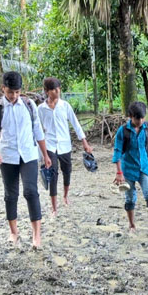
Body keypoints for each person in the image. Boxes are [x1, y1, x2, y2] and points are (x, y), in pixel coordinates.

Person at [0, 71, 52, 248]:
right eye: (10, 92)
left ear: (21, 90)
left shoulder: (29, 106)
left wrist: (45, 155)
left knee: (31, 192)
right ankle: (14, 232)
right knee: (10, 194)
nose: (13, 96)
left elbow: (38, 131)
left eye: (17, 92)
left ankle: (36, 235)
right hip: (7, 155)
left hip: (29, 154)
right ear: (3, 89)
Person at [37, 77, 93, 215]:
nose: (57, 92)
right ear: (47, 91)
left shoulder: (65, 106)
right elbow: (38, 131)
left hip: (65, 145)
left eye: (58, 88)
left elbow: (76, 124)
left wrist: (84, 142)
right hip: (50, 145)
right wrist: (41, 153)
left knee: (67, 171)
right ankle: (54, 207)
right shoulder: (41, 109)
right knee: (53, 174)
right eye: (54, 90)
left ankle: (65, 196)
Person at [112, 102, 148, 237]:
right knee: (130, 198)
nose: (140, 121)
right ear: (131, 116)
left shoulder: (147, 127)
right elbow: (117, 151)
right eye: (138, 118)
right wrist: (119, 173)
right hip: (128, 169)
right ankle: (132, 225)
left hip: (144, 167)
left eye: (143, 118)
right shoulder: (123, 131)